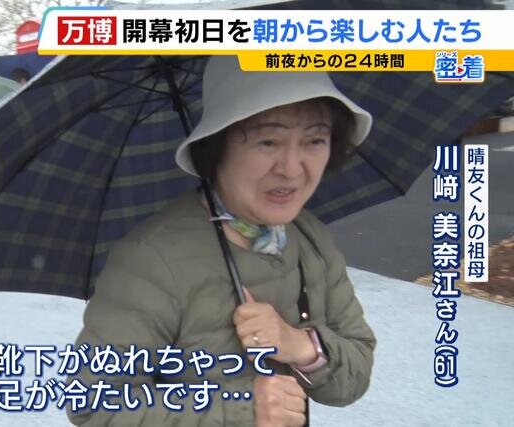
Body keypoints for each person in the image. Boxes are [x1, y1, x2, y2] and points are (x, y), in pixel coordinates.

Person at [67, 57, 377, 426]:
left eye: (314, 141)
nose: (292, 168)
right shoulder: (151, 260)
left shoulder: (310, 237)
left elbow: (355, 372)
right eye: (268, 141)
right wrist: (242, 409)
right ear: (216, 147)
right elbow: (93, 404)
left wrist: (299, 346)